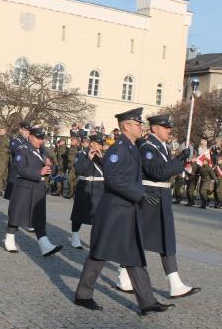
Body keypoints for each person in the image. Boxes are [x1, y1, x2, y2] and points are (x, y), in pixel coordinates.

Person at [75, 107, 175, 315]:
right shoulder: (118, 148)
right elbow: (113, 179)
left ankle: (147, 301)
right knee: (99, 253)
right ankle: (83, 294)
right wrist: (139, 192)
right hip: (114, 210)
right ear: (126, 126)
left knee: (135, 254)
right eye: (138, 124)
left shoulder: (131, 147)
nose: (141, 127)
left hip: (128, 208)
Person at [117, 114, 200, 298]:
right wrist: (179, 161)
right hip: (150, 197)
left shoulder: (162, 147)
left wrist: (179, 160)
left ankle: (174, 282)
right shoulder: (147, 148)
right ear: (155, 129)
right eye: (166, 127)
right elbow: (157, 172)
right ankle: (123, 274)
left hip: (162, 197)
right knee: (140, 238)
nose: (169, 130)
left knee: (166, 239)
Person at [4, 127, 62, 256]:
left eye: (43, 138)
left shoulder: (43, 151)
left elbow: (53, 169)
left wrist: (50, 166)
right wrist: (38, 172)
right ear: (31, 137)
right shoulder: (23, 150)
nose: (41, 141)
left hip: (38, 187)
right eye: (39, 138)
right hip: (24, 186)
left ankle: (45, 245)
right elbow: (20, 169)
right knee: (17, 214)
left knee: (38, 216)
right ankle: (9, 239)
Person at [70, 135, 104, 249]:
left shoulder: (104, 155)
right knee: (79, 214)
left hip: (99, 187)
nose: (100, 146)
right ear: (91, 144)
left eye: (101, 144)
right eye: (98, 144)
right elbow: (79, 170)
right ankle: (74, 235)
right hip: (84, 186)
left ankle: (96, 241)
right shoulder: (82, 154)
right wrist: (89, 158)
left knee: (98, 216)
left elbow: (110, 170)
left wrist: (102, 159)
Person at [3, 121, 31, 200]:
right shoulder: (16, 140)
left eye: (28, 131)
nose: (27, 133)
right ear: (20, 130)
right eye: (25, 130)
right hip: (17, 170)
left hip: (27, 171)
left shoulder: (29, 142)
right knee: (14, 197)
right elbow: (17, 151)